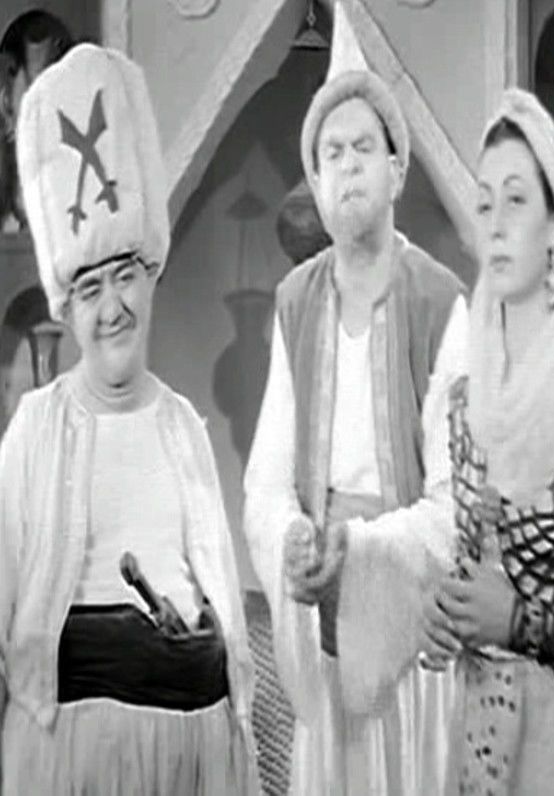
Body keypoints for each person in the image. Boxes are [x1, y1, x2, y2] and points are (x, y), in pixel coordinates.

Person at [0, 43, 260, 794]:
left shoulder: (182, 427)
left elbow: (218, 597)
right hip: (71, 760)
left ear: (151, 275)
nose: (112, 307)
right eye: (89, 289)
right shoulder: (36, 430)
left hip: (187, 757)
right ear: (66, 306)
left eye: (125, 277)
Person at [243, 5, 468, 794]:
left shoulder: (441, 303)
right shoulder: (295, 305)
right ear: (314, 180)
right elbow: (266, 482)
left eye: (363, 148)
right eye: (330, 153)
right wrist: (293, 544)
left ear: (397, 169)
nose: (347, 167)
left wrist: (362, 554)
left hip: (413, 644)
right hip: (325, 636)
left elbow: (458, 504)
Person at [421, 87, 554, 794]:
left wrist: (519, 622)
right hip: (479, 723)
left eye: (516, 200)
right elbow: (471, 564)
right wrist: (447, 615)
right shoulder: (463, 404)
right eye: (485, 204)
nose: (496, 224)